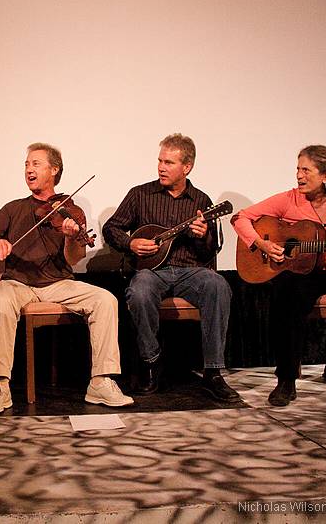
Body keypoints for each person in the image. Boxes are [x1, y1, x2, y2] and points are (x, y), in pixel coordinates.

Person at [0, 142, 134, 412]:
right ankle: (0, 384)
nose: (28, 169)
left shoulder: (70, 212)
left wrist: (72, 237)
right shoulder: (13, 208)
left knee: (105, 299)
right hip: (18, 283)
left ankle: (101, 381)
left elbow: (73, 259)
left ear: (54, 170)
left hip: (59, 284)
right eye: (26, 164)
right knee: (0, 304)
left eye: (35, 164)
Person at [231, 144, 326, 407]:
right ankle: (286, 380)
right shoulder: (289, 199)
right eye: (298, 169)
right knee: (285, 291)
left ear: (325, 175)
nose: (299, 176)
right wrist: (262, 244)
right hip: (306, 271)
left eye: (306, 170)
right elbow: (241, 217)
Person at [102, 133, 239, 402]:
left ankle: (213, 372)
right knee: (139, 290)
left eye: (169, 162)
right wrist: (131, 243)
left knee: (218, 285)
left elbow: (210, 250)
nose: (161, 167)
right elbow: (111, 228)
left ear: (186, 167)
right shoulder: (140, 194)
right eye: (160, 161)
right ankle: (152, 363)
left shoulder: (201, 200)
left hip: (191, 272)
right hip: (152, 273)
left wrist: (203, 236)